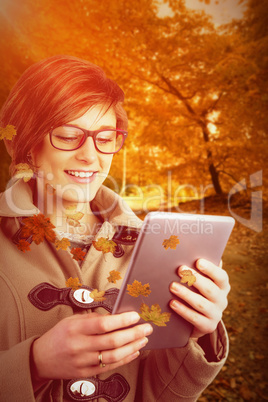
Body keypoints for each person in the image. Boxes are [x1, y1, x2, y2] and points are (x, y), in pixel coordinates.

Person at [0, 55, 230, 401]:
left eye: (105, 138)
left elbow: (154, 393)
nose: (91, 156)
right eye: (67, 135)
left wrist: (194, 335)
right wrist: (33, 364)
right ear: (23, 144)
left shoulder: (151, 248)